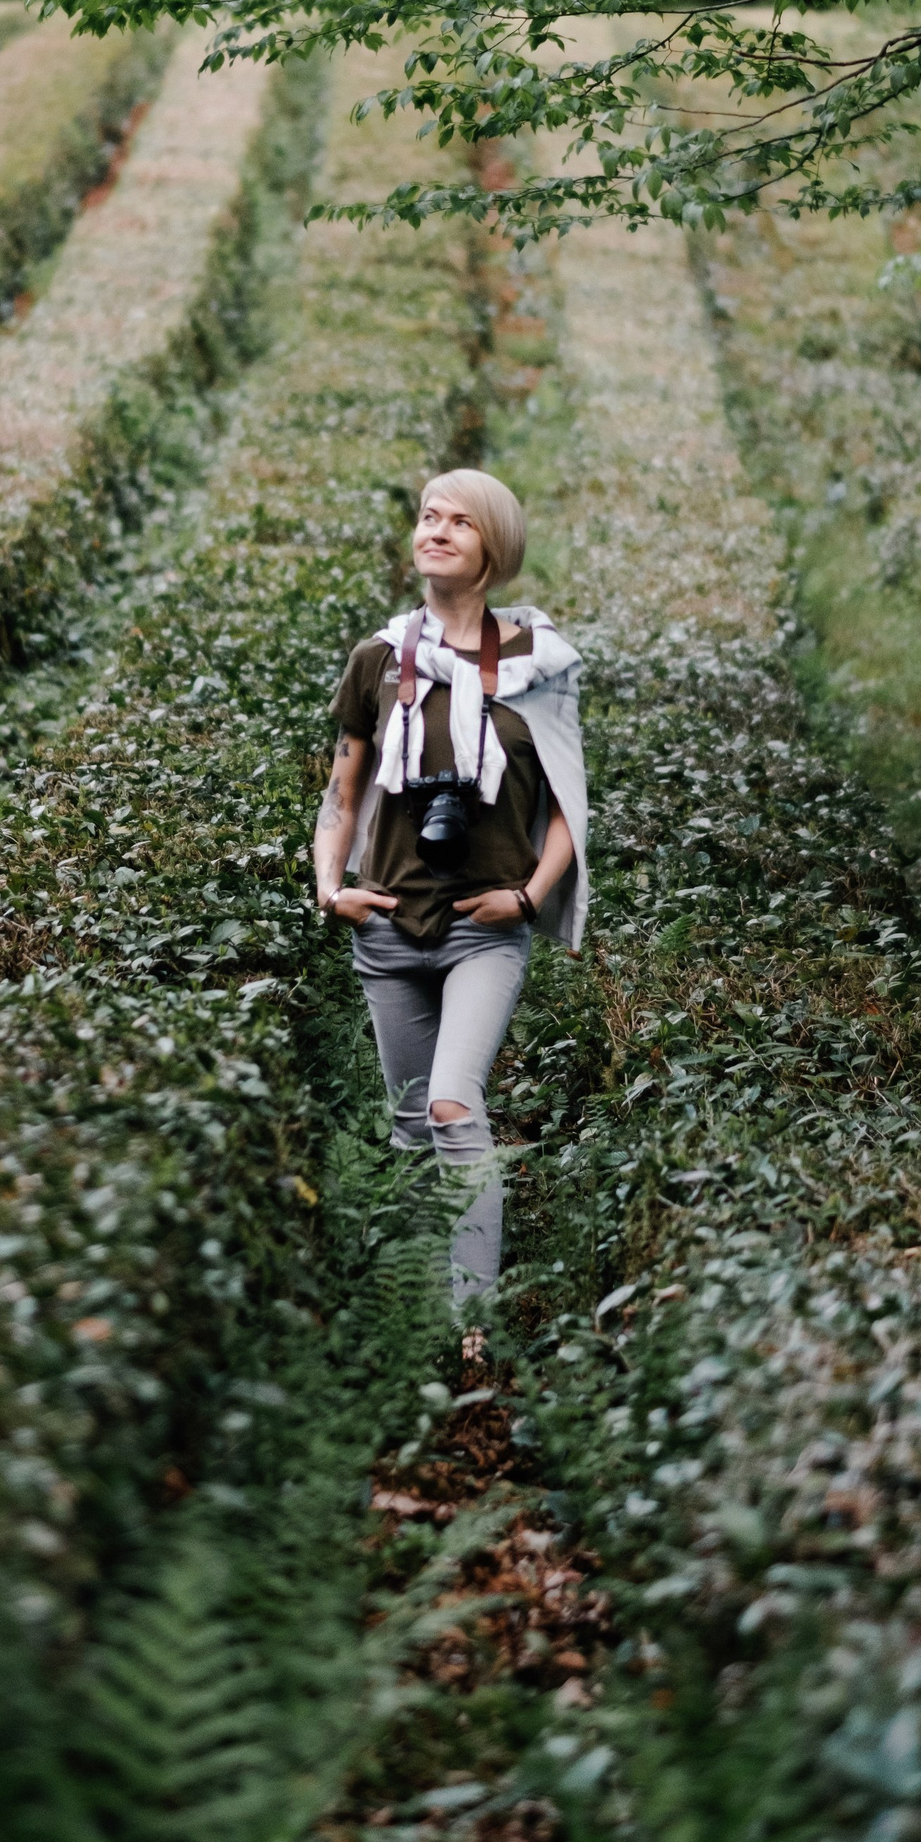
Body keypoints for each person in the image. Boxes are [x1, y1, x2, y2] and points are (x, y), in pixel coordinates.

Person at [314, 468, 589, 1311]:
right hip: (388, 925)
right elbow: (341, 793)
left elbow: (569, 807)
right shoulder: (377, 658)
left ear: (492, 548)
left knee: (449, 1109)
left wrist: (529, 898)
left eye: (458, 522)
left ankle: (474, 1322)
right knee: (408, 1126)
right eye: (428, 516)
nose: (434, 531)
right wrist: (331, 889)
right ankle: (415, 1308)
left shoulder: (539, 663)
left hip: (486, 928)